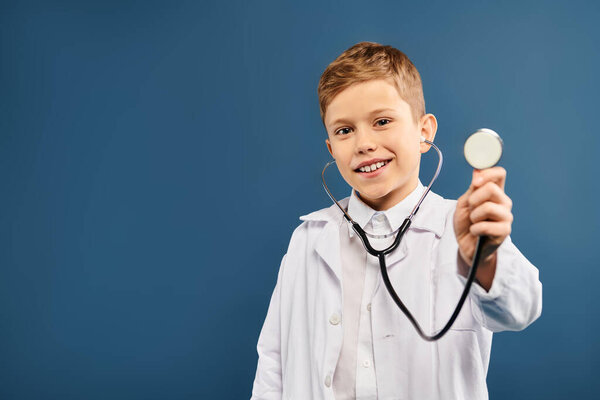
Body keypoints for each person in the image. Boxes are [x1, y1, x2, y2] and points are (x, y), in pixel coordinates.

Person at [250, 41, 542, 400]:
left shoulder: (462, 226)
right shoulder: (309, 239)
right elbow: (273, 363)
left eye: (382, 121)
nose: (364, 144)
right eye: (344, 131)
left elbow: (520, 309)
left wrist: (482, 260)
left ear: (424, 131)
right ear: (330, 149)